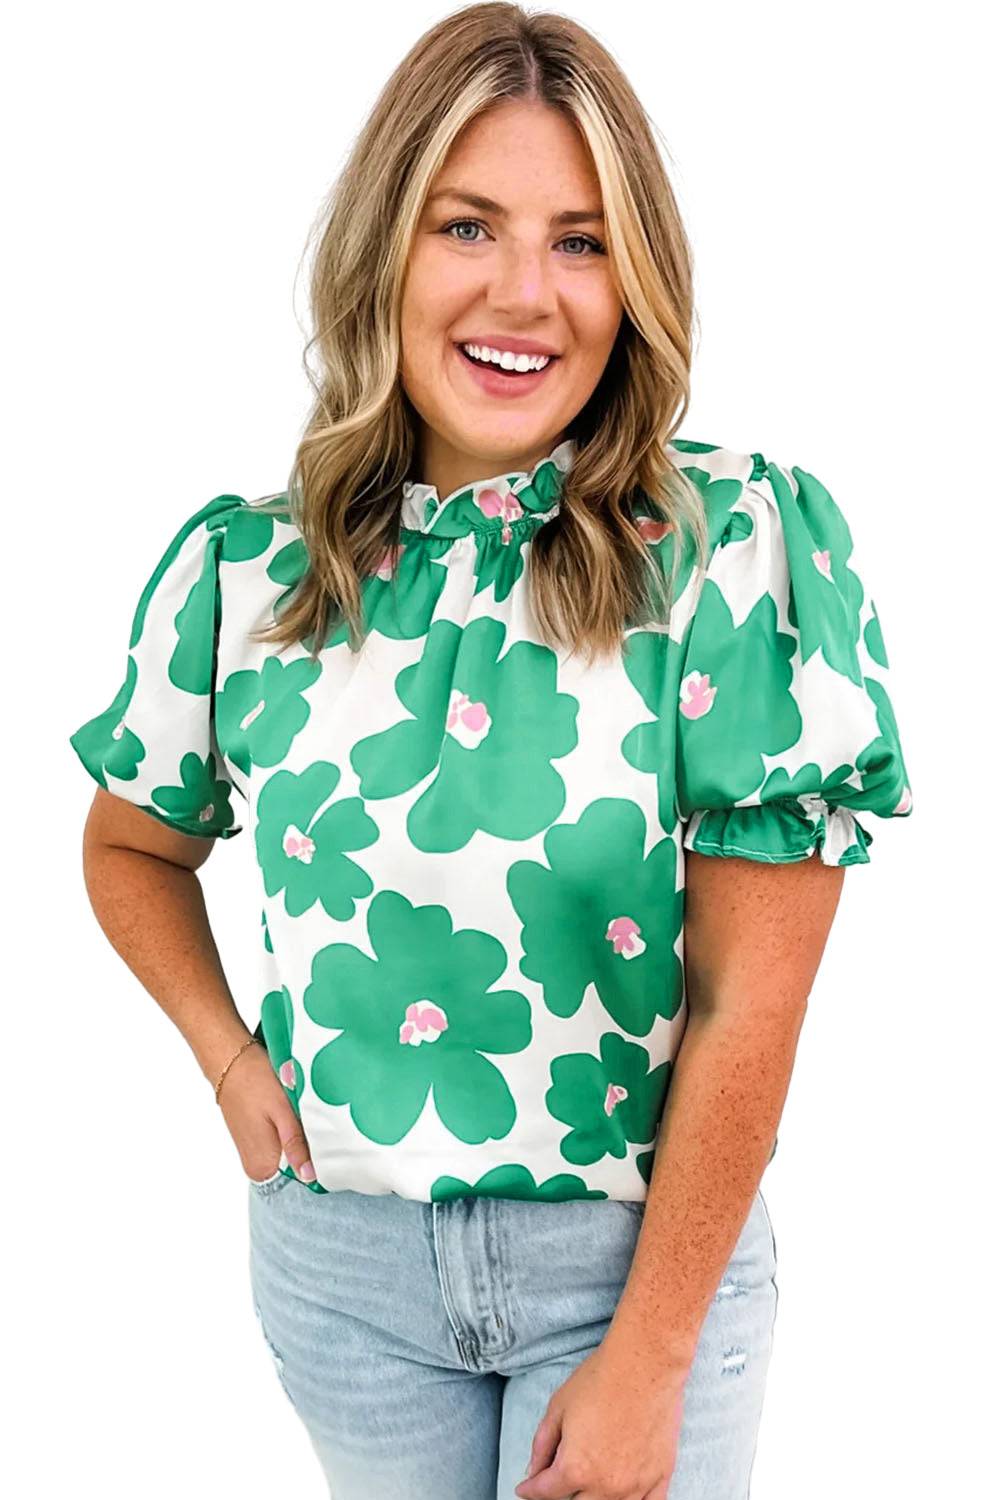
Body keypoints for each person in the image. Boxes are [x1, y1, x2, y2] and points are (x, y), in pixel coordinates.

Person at [68, 5, 914, 1497]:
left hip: (632, 1272)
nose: (525, 295)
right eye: (469, 226)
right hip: (339, 1276)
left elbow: (745, 1011)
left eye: (582, 243)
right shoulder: (246, 577)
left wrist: (649, 1356)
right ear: (385, 248)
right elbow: (131, 841)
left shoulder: (724, 557)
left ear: (636, 279)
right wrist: (223, 1055)